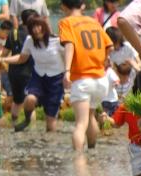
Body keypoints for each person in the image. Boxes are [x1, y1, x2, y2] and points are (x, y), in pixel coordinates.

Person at [58, 0, 111, 152]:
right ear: (82, 6)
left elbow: (69, 44)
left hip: (82, 79)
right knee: (90, 116)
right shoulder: (94, 22)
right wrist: (103, 61)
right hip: (101, 80)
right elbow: (110, 46)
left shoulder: (66, 22)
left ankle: (79, 162)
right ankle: (92, 152)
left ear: (63, 7)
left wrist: (67, 71)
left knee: (81, 124)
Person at [0, 11, 58, 132]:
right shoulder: (34, 35)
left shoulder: (13, 33)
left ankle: (13, 125)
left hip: (14, 72)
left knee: (17, 100)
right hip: (30, 71)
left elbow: (4, 53)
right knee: (30, 104)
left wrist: (1, 61)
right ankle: (31, 129)